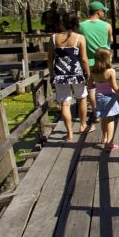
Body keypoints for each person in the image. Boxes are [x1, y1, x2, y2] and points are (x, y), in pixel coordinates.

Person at [47, 12, 91, 141]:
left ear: (61, 23)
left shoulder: (53, 38)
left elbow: (50, 59)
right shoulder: (79, 38)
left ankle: (69, 133)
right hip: (76, 73)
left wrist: (51, 74)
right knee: (82, 98)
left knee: (64, 103)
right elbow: (83, 59)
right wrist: (87, 73)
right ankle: (83, 125)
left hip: (60, 74)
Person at [79, 1, 113, 126]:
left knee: (91, 88)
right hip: (105, 61)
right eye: (103, 11)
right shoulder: (107, 26)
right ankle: (107, 110)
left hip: (89, 61)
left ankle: (95, 111)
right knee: (106, 86)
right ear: (98, 12)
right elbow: (110, 40)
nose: (104, 13)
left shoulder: (81, 26)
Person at [89, 47, 119, 151]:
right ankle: (110, 143)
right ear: (106, 59)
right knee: (110, 120)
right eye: (111, 58)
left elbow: (90, 86)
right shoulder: (110, 71)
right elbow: (115, 87)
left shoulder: (93, 71)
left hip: (99, 98)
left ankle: (104, 138)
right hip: (109, 98)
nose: (112, 59)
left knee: (103, 118)